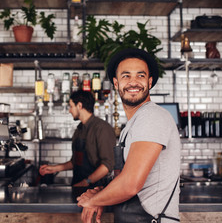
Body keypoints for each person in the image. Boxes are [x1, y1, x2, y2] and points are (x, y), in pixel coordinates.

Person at [77, 48, 181, 223]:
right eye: (126, 76)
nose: (133, 82)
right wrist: (103, 194)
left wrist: (93, 200)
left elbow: (130, 184)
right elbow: (124, 179)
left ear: (149, 82)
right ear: (116, 84)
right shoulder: (133, 124)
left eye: (140, 76)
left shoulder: (151, 116)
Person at [39, 90, 116, 187]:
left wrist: (86, 182)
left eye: (71, 106)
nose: (69, 110)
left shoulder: (102, 128)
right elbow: (75, 162)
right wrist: (54, 169)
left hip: (96, 188)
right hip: (78, 185)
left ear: (79, 106)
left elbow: (107, 165)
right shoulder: (79, 129)